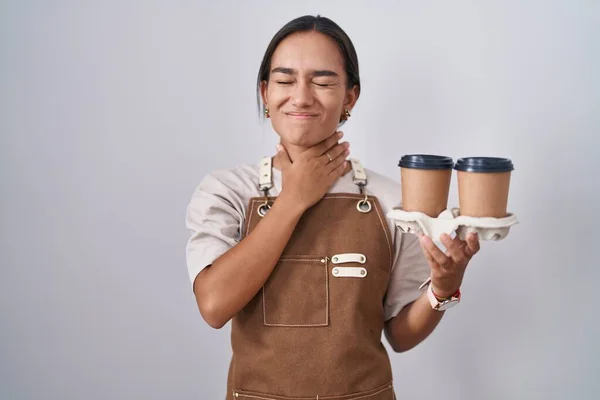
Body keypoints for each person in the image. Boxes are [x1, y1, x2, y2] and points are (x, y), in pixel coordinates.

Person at [185, 15, 480, 400]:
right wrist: (293, 199)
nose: (302, 96)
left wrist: (442, 288)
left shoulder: (391, 201)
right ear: (264, 93)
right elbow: (213, 305)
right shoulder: (226, 192)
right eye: (285, 80)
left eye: (323, 82)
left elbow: (401, 335)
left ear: (350, 98)